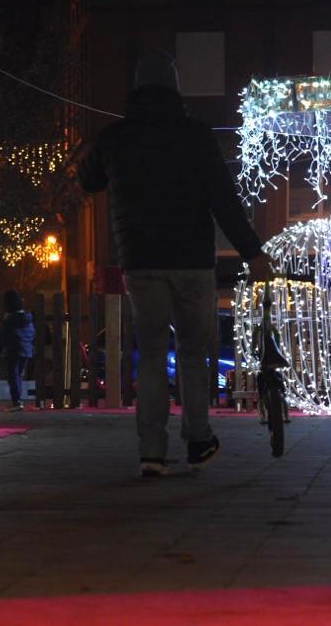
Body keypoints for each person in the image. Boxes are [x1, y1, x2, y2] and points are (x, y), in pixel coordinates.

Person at [79, 51, 273, 477]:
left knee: (150, 355)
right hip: (192, 262)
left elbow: (87, 179)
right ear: (175, 89)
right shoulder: (197, 137)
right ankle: (198, 438)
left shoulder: (116, 137)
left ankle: (151, 451)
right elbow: (224, 200)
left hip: (141, 261)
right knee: (192, 352)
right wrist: (252, 253)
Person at [0, 289, 35, 411]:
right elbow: (31, 334)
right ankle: (17, 400)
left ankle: (16, 401)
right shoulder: (27, 319)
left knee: (13, 376)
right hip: (26, 350)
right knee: (18, 374)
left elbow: (2, 335)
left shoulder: (8, 320)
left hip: (13, 350)